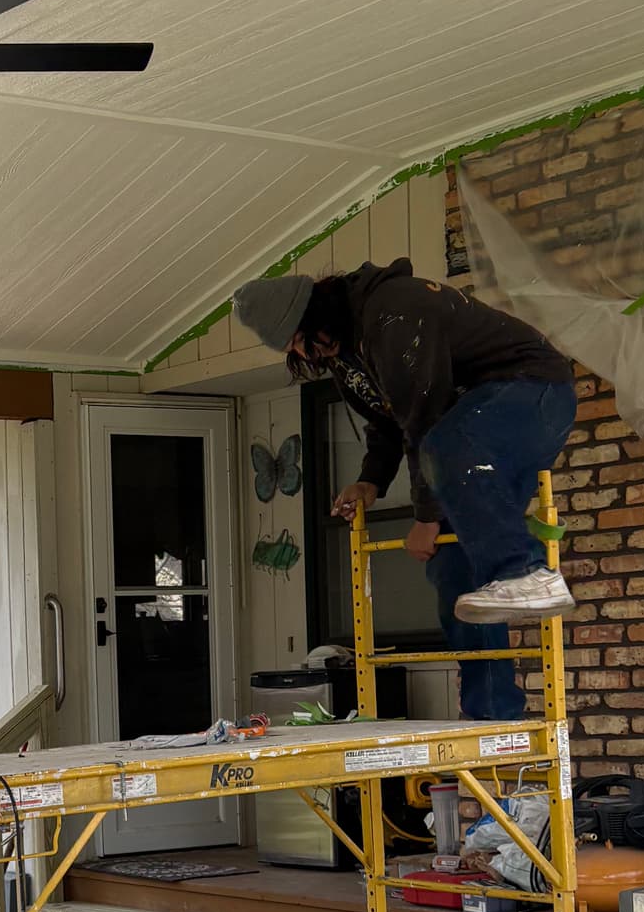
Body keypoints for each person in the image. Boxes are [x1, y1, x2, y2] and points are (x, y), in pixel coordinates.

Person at [233, 258, 577, 722]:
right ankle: (494, 718)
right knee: (457, 571)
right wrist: (371, 479)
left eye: (300, 340)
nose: (307, 355)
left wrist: (425, 517)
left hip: (531, 394)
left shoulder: (394, 312)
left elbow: (424, 417)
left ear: (317, 315)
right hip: (470, 433)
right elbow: (388, 420)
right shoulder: (346, 352)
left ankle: (527, 572)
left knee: (444, 447)